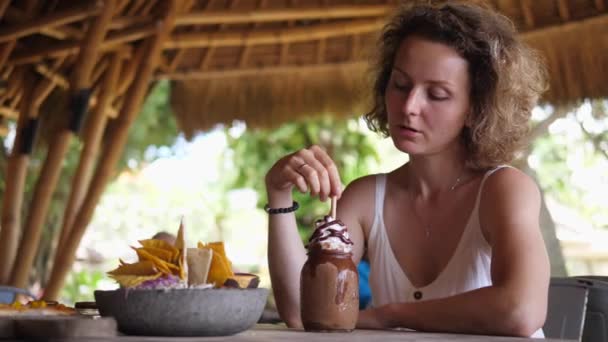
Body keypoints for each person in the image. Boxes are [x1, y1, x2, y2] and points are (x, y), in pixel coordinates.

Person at [264, 0, 550, 337]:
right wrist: (279, 194)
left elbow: (521, 311)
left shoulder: (503, 190)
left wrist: (390, 316)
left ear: (477, 109)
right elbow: (303, 312)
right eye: (400, 85)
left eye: (437, 94)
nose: (410, 106)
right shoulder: (367, 198)